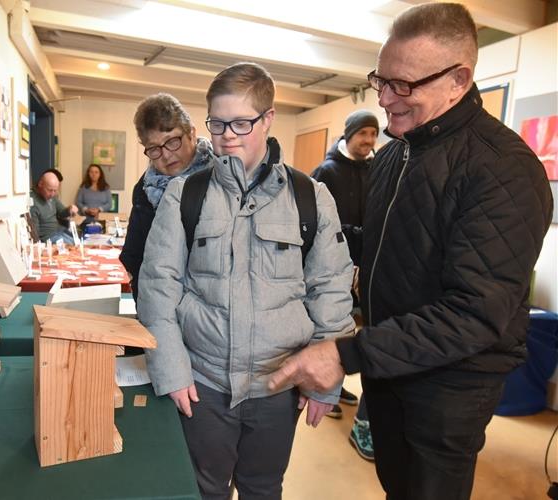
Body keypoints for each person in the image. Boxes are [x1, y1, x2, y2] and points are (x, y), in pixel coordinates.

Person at [268, 4, 553, 500]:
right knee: (395, 482)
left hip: (449, 386)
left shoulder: (502, 170)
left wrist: (348, 353)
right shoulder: (394, 154)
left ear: (458, 80)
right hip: (391, 364)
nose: (384, 100)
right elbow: (383, 249)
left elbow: (474, 314)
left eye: (403, 85)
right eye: (380, 80)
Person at [138, 63, 355, 499]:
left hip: (278, 386)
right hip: (203, 386)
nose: (227, 136)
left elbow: (331, 290)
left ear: (268, 118)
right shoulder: (186, 194)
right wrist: (173, 372)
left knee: (262, 487)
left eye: (241, 122)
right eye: (217, 124)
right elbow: (158, 288)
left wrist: (326, 382)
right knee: (204, 489)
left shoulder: (311, 197)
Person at [311, 110, 379, 455]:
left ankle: (338, 385)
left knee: (357, 330)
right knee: (333, 326)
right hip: (334, 266)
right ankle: (325, 385)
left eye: (373, 134)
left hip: (364, 267)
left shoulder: (375, 169)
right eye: (363, 133)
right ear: (349, 134)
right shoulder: (327, 171)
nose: (368, 140)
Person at [119, 93, 217, 302]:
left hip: (209, 308)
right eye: (154, 148)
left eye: (172, 141)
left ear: (191, 133)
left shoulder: (220, 178)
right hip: (159, 305)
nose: (165, 155)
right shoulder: (145, 189)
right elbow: (134, 256)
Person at [28, 170, 79, 244]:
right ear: (40, 184)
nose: (52, 194)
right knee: (72, 245)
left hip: (58, 232)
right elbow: (35, 234)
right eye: (49, 190)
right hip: (47, 238)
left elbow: (62, 212)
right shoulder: (32, 201)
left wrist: (70, 209)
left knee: (78, 242)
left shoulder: (52, 197)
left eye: (55, 191)